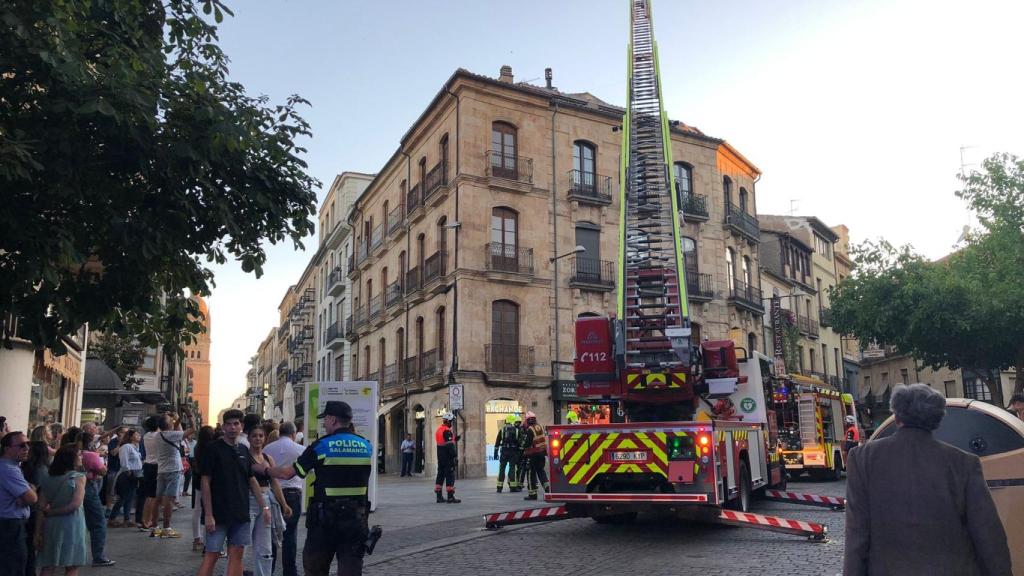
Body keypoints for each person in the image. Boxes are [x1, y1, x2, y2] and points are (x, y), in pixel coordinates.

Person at [844, 383, 1011, 575]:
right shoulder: (963, 462)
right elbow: (988, 533)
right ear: (937, 420)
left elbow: (857, 534)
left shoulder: (863, 458)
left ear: (897, 416)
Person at [256, 401, 373, 576]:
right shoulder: (365, 446)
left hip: (325, 521)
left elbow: (289, 473)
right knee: (351, 569)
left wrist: (264, 469)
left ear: (333, 419)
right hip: (356, 519)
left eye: (325, 419)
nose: (324, 423)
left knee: (315, 568)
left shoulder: (322, 446)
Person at [197, 410, 270, 576]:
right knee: (212, 554)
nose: (232, 427)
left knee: (237, 555)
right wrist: (208, 514)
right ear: (223, 427)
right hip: (218, 512)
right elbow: (205, 481)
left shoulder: (244, 450)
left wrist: (264, 507)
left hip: (240, 513)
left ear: (242, 426)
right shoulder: (213, 449)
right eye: (229, 424)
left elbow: (251, 480)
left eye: (236, 424)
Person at [245, 424, 291, 576]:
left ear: (265, 438)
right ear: (249, 438)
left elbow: (275, 482)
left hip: (267, 499)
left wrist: (284, 504)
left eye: (260, 436)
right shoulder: (245, 457)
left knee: (265, 548)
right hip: (249, 501)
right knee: (242, 544)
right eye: (254, 436)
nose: (258, 438)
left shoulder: (268, 458)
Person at [36, 446, 89, 576]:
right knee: (72, 565)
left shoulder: (48, 478)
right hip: (72, 523)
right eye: (79, 455)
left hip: (52, 524)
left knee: (48, 564)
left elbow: (40, 505)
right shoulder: (78, 477)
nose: (81, 457)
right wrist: (51, 513)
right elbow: (75, 504)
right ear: (71, 459)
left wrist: (38, 531)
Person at [263, 421, 305, 576]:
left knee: (272, 534)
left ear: (279, 433)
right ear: (294, 434)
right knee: (290, 535)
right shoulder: (301, 449)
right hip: (293, 494)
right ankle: (290, 571)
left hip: (272, 494)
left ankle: (269, 569)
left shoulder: (267, 449)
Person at [1, 431, 37, 576]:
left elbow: (30, 491)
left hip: (11, 524)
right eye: (22, 445)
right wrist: (29, 491)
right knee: (13, 567)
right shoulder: (8, 469)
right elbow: (32, 498)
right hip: (10, 525)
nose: (26, 448)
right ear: (7, 449)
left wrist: (29, 490)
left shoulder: (13, 467)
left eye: (28, 444)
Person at [77, 432, 114, 566]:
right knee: (98, 523)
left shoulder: (71, 452)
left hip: (72, 487)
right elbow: (103, 470)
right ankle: (99, 556)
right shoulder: (90, 455)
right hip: (88, 487)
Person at [23, 439, 51, 576]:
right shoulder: (35, 467)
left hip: (33, 510)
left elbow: (34, 490)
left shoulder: (39, 469)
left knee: (29, 546)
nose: (26, 451)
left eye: (28, 449)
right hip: (32, 510)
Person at [189, 426, 215, 553]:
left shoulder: (197, 447)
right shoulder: (213, 448)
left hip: (198, 481)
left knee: (197, 510)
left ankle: (196, 539)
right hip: (210, 482)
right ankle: (206, 541)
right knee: (209, 512)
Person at [110, 429, 141, 527]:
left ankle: (127, 519)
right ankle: (112, 518)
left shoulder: (136, 447)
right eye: (137, 434)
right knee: (123, 497)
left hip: (135, 474)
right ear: (131, 437)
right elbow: (124, 460)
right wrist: (128, 471)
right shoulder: (126, 447)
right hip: (127, 474)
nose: (139, 436)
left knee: (130, 497)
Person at [433, 412, 460, 504]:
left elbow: (443, 442)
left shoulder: (439, 430)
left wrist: (454, 439)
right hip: (448, 458)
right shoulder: (447, 431)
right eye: (451, 421)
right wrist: (454, 456)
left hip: (440, 457)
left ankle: (439, 497)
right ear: (448, 421)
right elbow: (449, 446)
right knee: (450, 476)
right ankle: (450, 497)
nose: (452, 423)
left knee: (440, 476)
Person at [522, 411, 549, 501]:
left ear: (528, 420)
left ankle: (532, 494)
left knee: (530, 473)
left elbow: (527, 443)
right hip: (542, 453)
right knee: (541, 471)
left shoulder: (530, 429)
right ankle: (547, 488)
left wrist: (523, 447)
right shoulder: (540, 427)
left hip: (533, 454)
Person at [139, 416, 159, 530]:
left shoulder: (146, 436)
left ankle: (145, 519)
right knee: (154, 495)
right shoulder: (158, 436)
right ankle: (148, 520)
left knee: (149, 495)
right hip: (156, 466)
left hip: (147, 465)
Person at [493, 414, 521, 493]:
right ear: (512, 421)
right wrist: (519, 453)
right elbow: (519, 443)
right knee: (512, 468)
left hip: (504, 451)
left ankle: (499, 487)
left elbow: (497, 442)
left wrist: (495, 453)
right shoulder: (516, 430)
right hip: (512, 451)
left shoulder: (502, 430)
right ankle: (513, 487)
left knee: (502, 469)